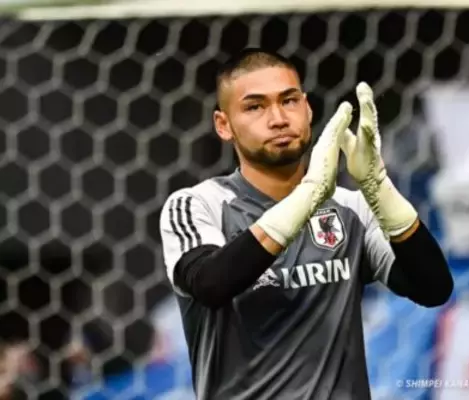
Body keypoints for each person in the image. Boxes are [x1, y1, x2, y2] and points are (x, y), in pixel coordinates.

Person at [159, 48, 453, 400]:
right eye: (255, 107)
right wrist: (309, 194)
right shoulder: (197, 205)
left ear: (308, 109)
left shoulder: (351, 208)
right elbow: (211, 284)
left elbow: (433, 288)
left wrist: (379, 188)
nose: (278, 118)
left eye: (289, 101)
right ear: (224, 125)